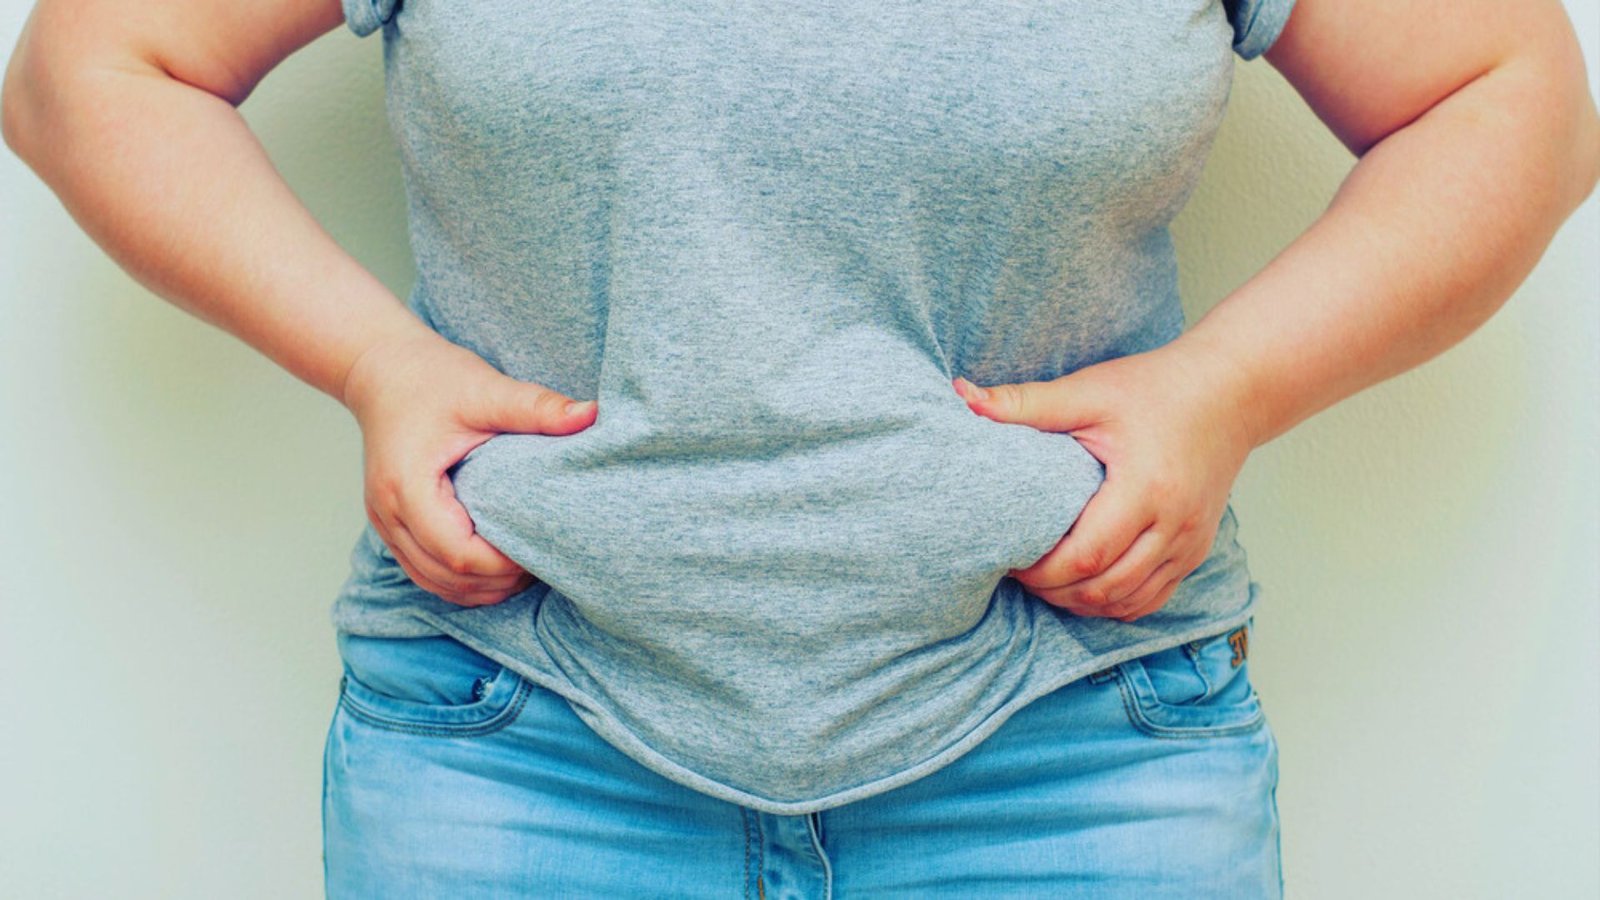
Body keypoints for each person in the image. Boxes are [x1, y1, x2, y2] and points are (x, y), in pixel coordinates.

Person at [4, 0, 1596, 895]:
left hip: (1068, 747)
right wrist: (372, 363)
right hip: (524, 741)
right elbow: (91, 69)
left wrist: (1231, 385)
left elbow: (1508, 95)